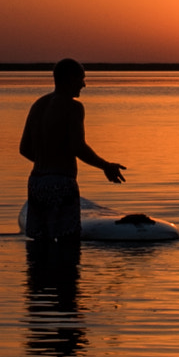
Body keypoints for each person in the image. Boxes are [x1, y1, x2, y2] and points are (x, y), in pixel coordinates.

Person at [20, 58, 126, 243]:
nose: (84, 84)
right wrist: (106, 166)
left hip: (36, 183)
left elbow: (24, 149)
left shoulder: (38, 104)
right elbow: (78, 147)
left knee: (39, 245)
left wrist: (47, 162)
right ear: (69, 78)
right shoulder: (73, 107)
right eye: (81, 79)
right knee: (68, 244)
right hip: (61, 183)